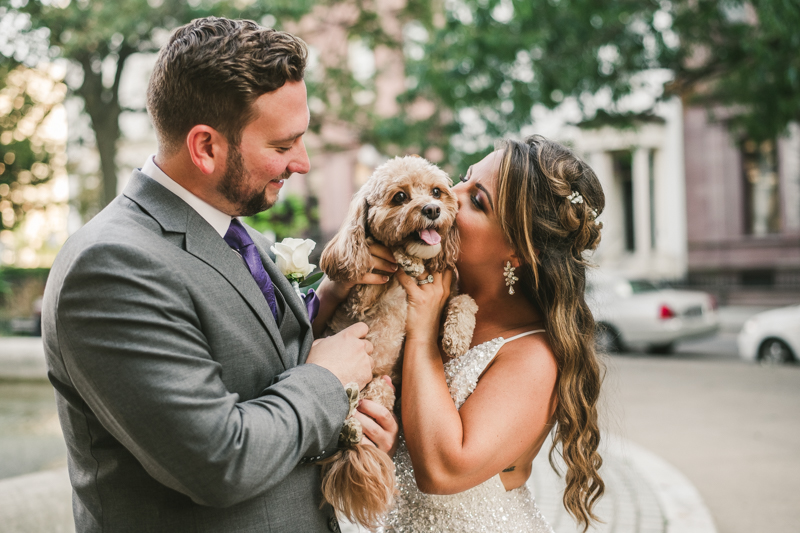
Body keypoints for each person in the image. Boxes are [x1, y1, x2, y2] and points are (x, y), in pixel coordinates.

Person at [41, 17, 396, 533]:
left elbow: (266, 375)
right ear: (206, 147)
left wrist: (342, 421)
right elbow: (218, 461)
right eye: (282, 145)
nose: (302, 161)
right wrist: (327, 382)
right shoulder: (111, 266)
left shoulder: (228, 227)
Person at [386, 135, 606, 532]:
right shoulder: (438, 297)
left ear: (518, 251)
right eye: (463, 179)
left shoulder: (533, 355)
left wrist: (421, 335)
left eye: (477, 200)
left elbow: (443, 472)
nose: (450, 195)